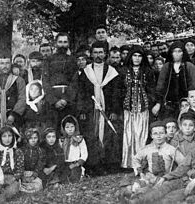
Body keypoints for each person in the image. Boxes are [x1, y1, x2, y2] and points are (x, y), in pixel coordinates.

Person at [130, 123, 195, 204]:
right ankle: (137, 202)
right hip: (186, 180)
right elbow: (182, 168)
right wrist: (165, 177)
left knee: (170, 197)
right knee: (165, 186)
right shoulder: (194, 152)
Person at [76, 41, 120, 171]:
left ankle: (108, 164)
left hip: (107, 111)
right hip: (91, 110)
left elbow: (115, 93)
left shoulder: (112, 72)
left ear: (105, 54)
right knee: (92, 135)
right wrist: (82, 110)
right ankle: (94, 166)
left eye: (101, 52)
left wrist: (114, 110)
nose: (98, 55)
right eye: (95, 52)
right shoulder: (86, 72)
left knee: (107, 136)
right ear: (91, 54)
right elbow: (81, 93)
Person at [126, 121, 184, 197]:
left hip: (164, 179)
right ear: (151, 135)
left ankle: (142, 196)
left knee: (156, 192)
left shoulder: (171, 149)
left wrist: (171, 175)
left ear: (166, 134)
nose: (158, 136)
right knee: (135, 187)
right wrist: (140, 173)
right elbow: (135, 159)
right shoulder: (147, 148)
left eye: (161, 133)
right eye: (155, 134)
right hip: (149, 177)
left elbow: (184, 163)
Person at [121, 45, 155, 169]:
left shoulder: (147, 71)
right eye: (134, 55)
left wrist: (150, 102)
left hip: (143, 109)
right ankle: (128, 163)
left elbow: (151, 89)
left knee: (141, 134)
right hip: (128, 110)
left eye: (140, 56)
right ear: (130, 57)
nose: (137, 58)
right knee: (128, 135)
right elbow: (119, 90)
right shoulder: (123, 71)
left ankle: (141, 164)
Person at [152, 41, 195, 119]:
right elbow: (160, 87)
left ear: (183, 53)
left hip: (187, 104)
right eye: (174, 51)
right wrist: (158, 103)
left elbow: (194, 85)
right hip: (168, 105)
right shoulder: (166, 67)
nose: (177, 54)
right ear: (171, 53)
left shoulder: (189, 66)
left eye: (179, 51)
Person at [43, 32, 77, 132]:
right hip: (52, 102)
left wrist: (65, 99)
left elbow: (74, 82)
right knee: (52, 130)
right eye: (60, 42)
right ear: (56, 43)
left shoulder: (72, 60)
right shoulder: (48, 60)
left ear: (68, 44)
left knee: (68, 130)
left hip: (68, 101)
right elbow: (45, 81)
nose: (62, 45)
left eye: (65, 42)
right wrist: (54, 101)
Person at [0, 57, 26, 133]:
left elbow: (22, 99)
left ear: (11, 64)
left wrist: (13, 115)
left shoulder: (18, 80)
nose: (5, 66)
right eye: (2, 63)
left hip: (12, 115)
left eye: (7, 63)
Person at [0, 126, 24, 199]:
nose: (7, 139)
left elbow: (20, 169)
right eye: (4, 136)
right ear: (0, 138)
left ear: (13, 137)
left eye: (10, 136)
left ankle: (2, 197)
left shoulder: (17, 151)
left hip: (13, 178)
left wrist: (14, 178)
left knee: (11, 192)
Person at [61, 115, 88, 183]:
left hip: (76, 164)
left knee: (74, 177)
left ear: (75, 127)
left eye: (72, 126)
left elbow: (84, 153)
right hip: (65, 164)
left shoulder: (79, 139)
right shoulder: (62, 140)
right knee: (62, 177)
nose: (70, 129)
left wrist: (78, 163)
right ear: (63, 129)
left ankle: (81, 176)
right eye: (67, 127)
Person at [20, 128, 44, 193]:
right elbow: (19, 164)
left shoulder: (40, 150)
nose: (33, 140)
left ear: (38, 138)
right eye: (30, 138)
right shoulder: (22, 150)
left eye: (35, 138)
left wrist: (34, 175)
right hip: (24, 174)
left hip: (34, 175)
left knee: (38, 184)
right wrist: (23, 174)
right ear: (27, 139)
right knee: (20, 183)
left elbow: (40, 164)